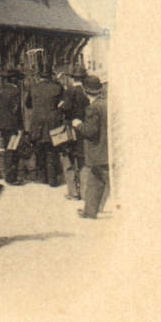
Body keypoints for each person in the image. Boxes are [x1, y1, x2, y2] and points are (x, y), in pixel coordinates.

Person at [73, 74, 109, 218]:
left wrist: (78, 125)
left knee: (104, 179)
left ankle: (91, 210)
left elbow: (90, 131)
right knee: (95, 179)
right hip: (106, 149)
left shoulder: (92, 108)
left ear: (84, 91)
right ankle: (89, 211)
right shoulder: (106, 104)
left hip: (98, 150)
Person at [25, 69, 64, 187]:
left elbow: (28, 105)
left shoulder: (33, 88)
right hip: (53, 122)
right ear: (50, 76)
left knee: (39, 149)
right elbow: (62, 103)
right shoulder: (57, 88)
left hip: (37, 123)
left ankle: (42, 177)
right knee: (52, 150)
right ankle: (53, 179)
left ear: (39, 76)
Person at [59, 68, 88, 200]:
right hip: (83, 131)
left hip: (70, 130)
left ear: (73, 78)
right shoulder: (87, 93)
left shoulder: (69, 91)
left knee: (68, 161)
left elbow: (65, 108)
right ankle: (84, 191)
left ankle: (73, 191)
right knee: (82, 161)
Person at [0, 69, 26, 185]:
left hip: (3, 125)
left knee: (8, 149)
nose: (19, 81)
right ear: (14, 79)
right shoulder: (15, 91)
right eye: (18, 79)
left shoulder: (2, 91)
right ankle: (11, 178)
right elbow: (16, 110)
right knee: (13, 151)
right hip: (13, 125)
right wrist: (20, 127)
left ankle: (8, 175)